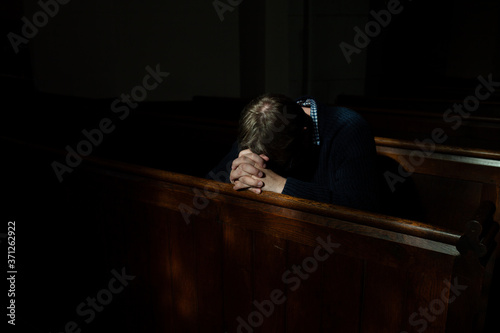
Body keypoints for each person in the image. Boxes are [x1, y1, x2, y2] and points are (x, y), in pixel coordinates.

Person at [206, 93, 382, 212]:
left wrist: (282, 186)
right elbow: (208, 186)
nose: (263, 166)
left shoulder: (349, 129)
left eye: (275, 162)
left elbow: (360, 208)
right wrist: (234, 177)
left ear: (304, 134)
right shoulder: (261, 132)